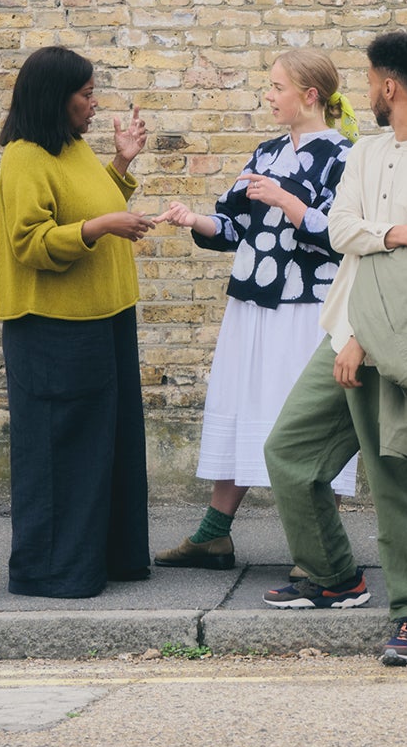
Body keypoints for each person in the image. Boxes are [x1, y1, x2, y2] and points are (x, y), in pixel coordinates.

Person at [258, 31, 407, 669]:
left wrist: (363, 331)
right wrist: (401, 232)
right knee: (290, 452)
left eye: (368, 82)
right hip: (344, 331)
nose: (364, 94)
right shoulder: (366, 152)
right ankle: (333, 575)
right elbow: (338, 229)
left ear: (389, 86)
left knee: (398, 478)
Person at [154, 53, 359, 570]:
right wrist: (194, 219)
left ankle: (318, 552)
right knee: (245, 406)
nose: (268, 96)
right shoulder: (265, 153)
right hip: (252, 305)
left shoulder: (344, 157)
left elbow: (343, 237)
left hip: (308, 309)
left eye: (276, 87)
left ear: (309, 96)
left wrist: (287, 201)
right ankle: (212, 536)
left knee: (309, 422)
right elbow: (232, 228)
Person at [0, 45, 156, 599]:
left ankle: (108, 558)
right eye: (86, 95)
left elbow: (91, 202)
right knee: (62, 451)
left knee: (108, 444)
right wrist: (103, 225)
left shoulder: (72, 149)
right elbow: (30, 243)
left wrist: (122, 164)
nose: (94, 104)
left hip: (104, 316)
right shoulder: (23, 156)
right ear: (54, 97)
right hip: (52, 327)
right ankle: (53, 571)